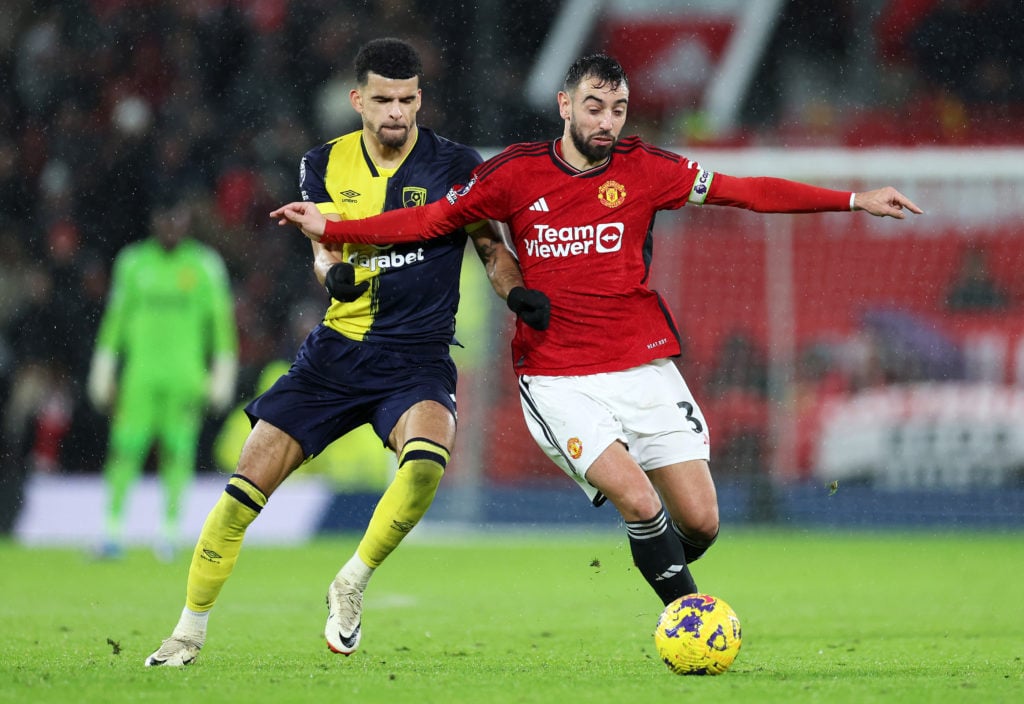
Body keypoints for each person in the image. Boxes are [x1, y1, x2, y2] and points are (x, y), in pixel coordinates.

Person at [272, 54, 922, 612]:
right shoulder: (515, 174)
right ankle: (691, 620)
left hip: (643, 367)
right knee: (639, 501)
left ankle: (658, 564)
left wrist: (852, 200)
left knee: (700, 521)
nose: (607, 122)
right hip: (557, 377)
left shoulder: (647, 169)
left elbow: (743, 191)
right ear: (565, 105)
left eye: (617, 109)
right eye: (594, 107)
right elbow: (429, 222)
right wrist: (334, 230)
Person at [145, 38, 531, 667]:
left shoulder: (458, 164)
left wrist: (519, 297)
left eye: (408, 100)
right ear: (358, 100)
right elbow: (322, 247)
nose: (396, 112)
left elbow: (490, 249)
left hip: (418, 357)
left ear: (420, 99)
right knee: (243, 491)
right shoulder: (322, 162)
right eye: (383, 99)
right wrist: (332, 277)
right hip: (336, 356)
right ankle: (187, 631)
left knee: (429, 460)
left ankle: (351, 581)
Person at [87, 195, 238, 561]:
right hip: (139, 377)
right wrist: (104, 366)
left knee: (178, 453)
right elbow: (115, 321)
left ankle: (169, 533)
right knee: (125, 449)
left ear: (187, 221)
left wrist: (223, 372)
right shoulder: (133, 263)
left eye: (177, 218)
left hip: (185, 379)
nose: (170, 226)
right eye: (164, 218)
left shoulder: (205, 265)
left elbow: (221, 325)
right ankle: (112, 531)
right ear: (154, 220)